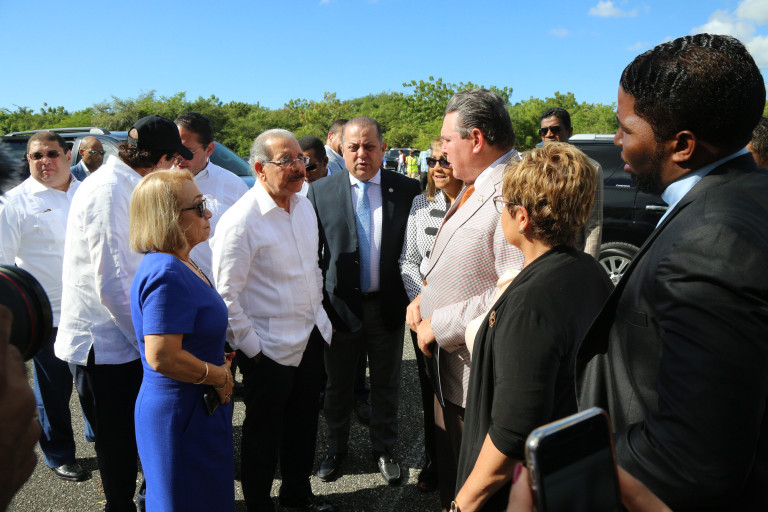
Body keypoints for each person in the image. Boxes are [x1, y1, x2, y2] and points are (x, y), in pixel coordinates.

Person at [575, 34, 768, 510]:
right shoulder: (750, 192)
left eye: (625, 128)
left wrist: (574, 473)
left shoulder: (712, 240)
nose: (617, 140)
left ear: (681, 145)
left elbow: (695, 453)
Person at [452, 143, 613, 512]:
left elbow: (512, 433)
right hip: (572, 473)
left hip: (520, 493)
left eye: (503, 204)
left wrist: (462, 504)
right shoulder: (590, 272)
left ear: (521, 217)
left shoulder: (531, 303)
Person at [55, 115, 191, 511]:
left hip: (130, 338)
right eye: (173, 160)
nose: (175, 168)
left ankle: (148, 501)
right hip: (107, 342)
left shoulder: (131, 184)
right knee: (117, 441)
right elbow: (113, 283)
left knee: (141, 431)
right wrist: (151, 344)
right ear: (159, 158)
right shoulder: (110, 190)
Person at [406, 89, 524, 511]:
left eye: (446, 140)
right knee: (454, 477)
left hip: (476, 375)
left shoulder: (511, 188)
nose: (440, 151)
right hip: (452, 369)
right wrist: (424, 296)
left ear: (475, 139)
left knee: (475, 491)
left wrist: (441, 323)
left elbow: (515, 288)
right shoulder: (479, 183)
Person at [212, 129, 336, 512]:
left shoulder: (303, 206)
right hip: (268, 348)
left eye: (301, 159)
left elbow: (312, 269)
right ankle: (258, 503)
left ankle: (297, 496)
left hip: (309, 337)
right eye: (287, 161)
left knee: (303, 424)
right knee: (263, 433)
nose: (299, 167)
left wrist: (320, 320)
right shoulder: (240, 221)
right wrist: (254, 349)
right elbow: (226, 297)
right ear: (259, 168)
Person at [308, 117, 421, 485]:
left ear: (383, 149)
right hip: (339, 308)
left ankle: (385, 449)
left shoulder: (407, 189)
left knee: (386, 384)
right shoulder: (320, 191)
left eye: (369, 146)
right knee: (338, 385)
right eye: (353, 146)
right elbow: (313, 254)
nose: (361, 153)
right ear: (341, 149)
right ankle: (335, 448)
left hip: (387, 307)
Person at [129, 169, 234, 511]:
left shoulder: (180, 262)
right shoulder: (166, 273)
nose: (209, 213)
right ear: (170, 217)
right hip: (181, 413)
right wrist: (219, 376)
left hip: (197, 406)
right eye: (199, 206)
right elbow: (162, 356)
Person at [0, 132, 92, 482]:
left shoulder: (88, 192)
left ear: (69, 156)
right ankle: (59, 454)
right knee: (52, 393)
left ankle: (98, 435)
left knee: (94, 384)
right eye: (36, 156)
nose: (44, 161)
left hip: (92, 310)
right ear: (27, 160)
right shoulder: (13, 203)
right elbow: (3, 266)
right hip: (48, 316)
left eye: (52, 153)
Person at [399, 137, 464, 493]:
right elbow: (408, 260)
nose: (437, 167)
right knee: (431, 394)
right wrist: (421, 304)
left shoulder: (475, 201)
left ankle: (464, 466)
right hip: (422, 318)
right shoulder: (420, 203)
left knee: (463, 395)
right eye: (431, 160)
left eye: (444, 160)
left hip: (462, 316)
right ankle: (434, 462)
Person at [174, 112, 249, 279]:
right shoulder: (157, 182)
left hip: (215, 287)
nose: (179, 157)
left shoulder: (234, 186)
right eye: (175, 149)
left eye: (187, 151)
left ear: (209, 149)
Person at [539, 107, 603, 259]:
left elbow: (593, 224)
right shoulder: (532, 167)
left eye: (555, 129)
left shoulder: (590, 168)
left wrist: (588, 264)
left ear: (569, 131)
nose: (549, 134)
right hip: (538, 256)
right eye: (544, 131)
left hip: (571, 257)